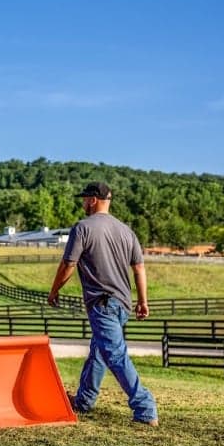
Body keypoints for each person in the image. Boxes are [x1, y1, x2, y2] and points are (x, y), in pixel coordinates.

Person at [47, 181, 159, 426]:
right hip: (122, 304)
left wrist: (54, 290)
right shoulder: (126, 231)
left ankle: (145, 407)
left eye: (84, 199)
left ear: (93, 200)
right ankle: (84, 400)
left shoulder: (82, 228)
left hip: (102, 303)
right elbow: (139, 268)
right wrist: (143, 301)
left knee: (115, 355)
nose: (83, 204)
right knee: (99, 350)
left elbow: (68, 264)